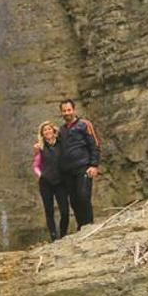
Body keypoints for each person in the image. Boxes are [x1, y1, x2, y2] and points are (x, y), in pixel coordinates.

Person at [57, 99, 100, 231]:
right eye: (64, 111)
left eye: (69, 110)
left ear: (73, 110)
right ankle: (81, 226)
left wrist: (94, 165)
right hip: (68, 171)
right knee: (74, 200)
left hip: (83, 167)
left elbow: (95, 145)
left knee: (83, 196)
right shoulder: (61, 130)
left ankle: (88, 225)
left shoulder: (84, 124)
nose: (66, 113)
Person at [32, 121, 69, 241]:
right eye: (45, 130)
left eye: (49, 129)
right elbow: (36, 165)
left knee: (64, 210)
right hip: (45, 183)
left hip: (61, 181)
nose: (47, 131)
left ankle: (63, 234)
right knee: (49, 210)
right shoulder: (40, 147)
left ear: (53, 131)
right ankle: (53, 236)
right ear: (42, 134)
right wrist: (41, 175)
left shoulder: (61, 143)